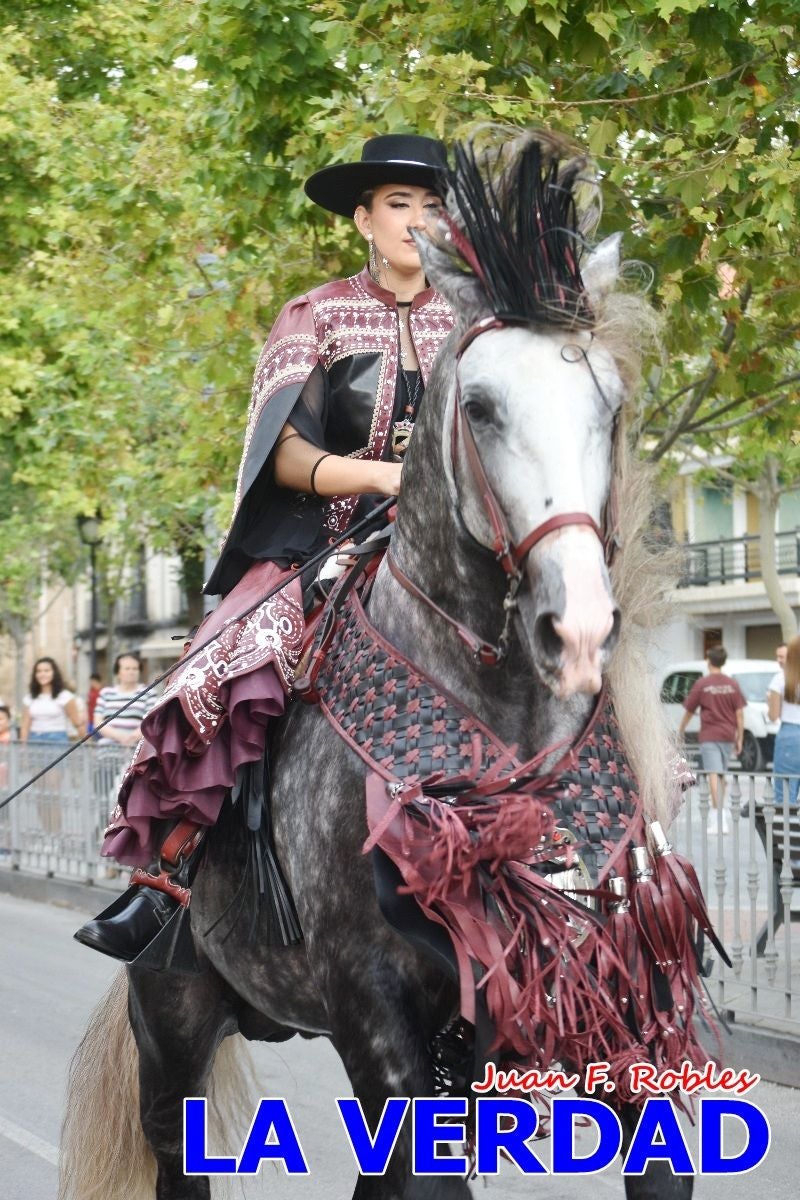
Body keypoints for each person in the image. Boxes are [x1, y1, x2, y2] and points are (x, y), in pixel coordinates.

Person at [75, 133, 454, 961]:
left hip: (456, 556)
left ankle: (603, 881)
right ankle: (170, 878)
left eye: (432, 207)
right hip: (325, 549)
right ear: (362, 218)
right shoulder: (314, 313)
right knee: (226, 666)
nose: (417, 222)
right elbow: (281, 453)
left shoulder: (477, 321)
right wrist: (381, 478)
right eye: (399, 205)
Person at [678, 645, 745, 824]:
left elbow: (690, 710)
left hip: (709, 735)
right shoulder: (732, 684)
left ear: (709, 661)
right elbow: (739, 713)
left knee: (713, 773)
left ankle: (718, 815)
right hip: (728, 735)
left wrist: (681, 729)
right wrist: (740, 737)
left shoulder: (703, 684)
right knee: (721, 772)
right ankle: (722, 810)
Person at [94, 654, 157, 747]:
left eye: (135, 669)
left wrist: (132, 738)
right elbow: (98, 721)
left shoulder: (149, 693)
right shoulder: (105, 693)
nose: (132, 672)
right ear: (118, 672)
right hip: (107, 751)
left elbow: (151, 722)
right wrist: (120, 737)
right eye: (127, 669)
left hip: (136, 750)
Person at [19, 657, 87, 744]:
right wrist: (22, 750)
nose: (42, 674)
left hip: (57, 739)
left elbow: (77, 723)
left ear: (54, 673)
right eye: (38, 671)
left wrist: (88, 746)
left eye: (46, 671)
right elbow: (25, 726)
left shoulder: (65, 696)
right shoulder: (29, 698)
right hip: (34, 739)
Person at [767, 634, 800, 806]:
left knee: (785, 797)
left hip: (790, 736)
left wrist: (770, 701)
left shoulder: (780, 678)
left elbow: (773, 716)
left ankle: (788, 833)